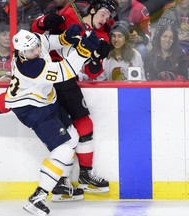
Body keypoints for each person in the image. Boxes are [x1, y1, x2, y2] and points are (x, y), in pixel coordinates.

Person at [0, 25, 100, 215]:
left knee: (73, 137)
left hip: (45, 99)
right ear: (21, 53)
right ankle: (38, 197)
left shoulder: (32, 43)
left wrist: (65, 38)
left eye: (36, 47)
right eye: (31, 51)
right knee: (64, 150)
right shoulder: (31, 67)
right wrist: (83, 52)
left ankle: (61, 185)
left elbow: (48, 41)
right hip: (33, 109)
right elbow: (65, 71)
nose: (36, 51)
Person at [31, 0, 118, 195]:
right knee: (66, 131)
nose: (105, 19)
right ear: (93, 10)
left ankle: (83, 175)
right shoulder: (69, 14)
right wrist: (47, 21)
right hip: (49, 75)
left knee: (83, 127)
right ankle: (62, 180)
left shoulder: (101, 36)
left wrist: (96, 57)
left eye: (109, 17)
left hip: (67, 79)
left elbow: (93, 72)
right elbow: (35, 30)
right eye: (103, 13)